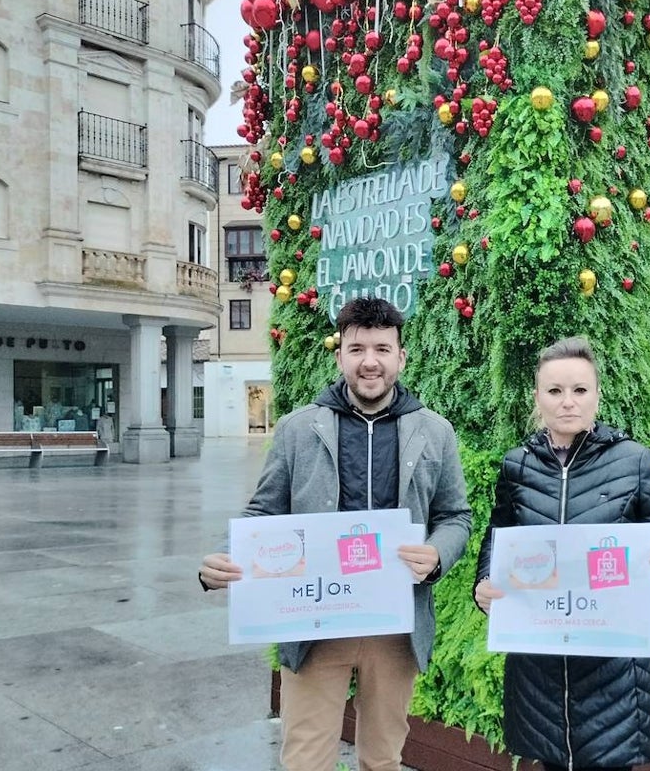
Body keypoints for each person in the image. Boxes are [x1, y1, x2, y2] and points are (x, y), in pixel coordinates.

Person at [199, 296, 472, 771]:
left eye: (383, 349)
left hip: (394, 625)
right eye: (358, 348)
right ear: (340, 354)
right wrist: (224, 556)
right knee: (305, 759)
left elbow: (456, 516)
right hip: (315, 622)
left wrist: (436, 553)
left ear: (401, 357)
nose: (370, 361)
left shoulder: (435, 432)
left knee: (383, 758)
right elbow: (264, 511)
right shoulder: (297, 429)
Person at [473, 337, 650, 771]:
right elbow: (499, 534)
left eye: (579, 390)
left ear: (597, 394)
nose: (567, 402)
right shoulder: (516, 465)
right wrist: (484, 582)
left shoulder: (633, 459)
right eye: (554, 391)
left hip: (613, 670)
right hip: (540, 667)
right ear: (537, 396)